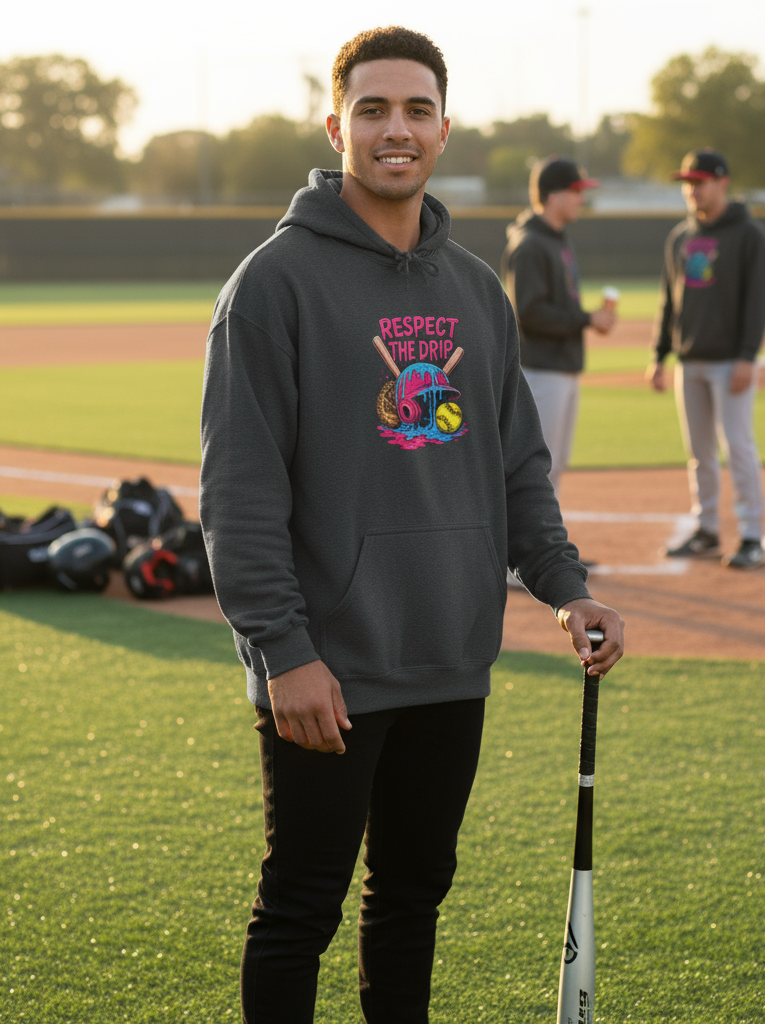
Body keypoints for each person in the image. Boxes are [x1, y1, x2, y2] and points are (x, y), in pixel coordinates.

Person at [198, 25, 624, 1024]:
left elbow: (515, 462)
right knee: (301, 908)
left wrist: (566, 588)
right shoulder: (272, 285)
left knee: (411, 902)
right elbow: (239, 495)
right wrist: (282, 650)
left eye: (417, 109)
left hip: (449, 659)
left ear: (444, 127)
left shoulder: (477, 288)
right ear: (336, 122)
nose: (398, 129)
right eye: (375, 109)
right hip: (328, 672)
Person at [646, 148, 765, 569]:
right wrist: (659, 354)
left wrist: (747, 356)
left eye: (699, 181)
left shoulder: (747, 234)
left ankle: (752, 535)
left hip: (729, 362)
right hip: (690, 359)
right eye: (687, 182)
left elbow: (758, 301)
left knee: (738, 446)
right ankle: (707, 530)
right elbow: (669, 301)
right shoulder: (680, 237)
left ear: (722, 183)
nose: (692, 189)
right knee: (699, 451)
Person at [501, 157, 616, 499]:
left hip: (560, 366)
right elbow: (531, 313)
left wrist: (589, 317)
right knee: (540, 469)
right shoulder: (531, 244)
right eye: (576, 191)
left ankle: (552, 551)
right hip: (540, 370)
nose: (582, 198)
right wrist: (586, 319)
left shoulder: (555, 238)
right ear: (553, 196)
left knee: (557, 464)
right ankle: (531, 552)